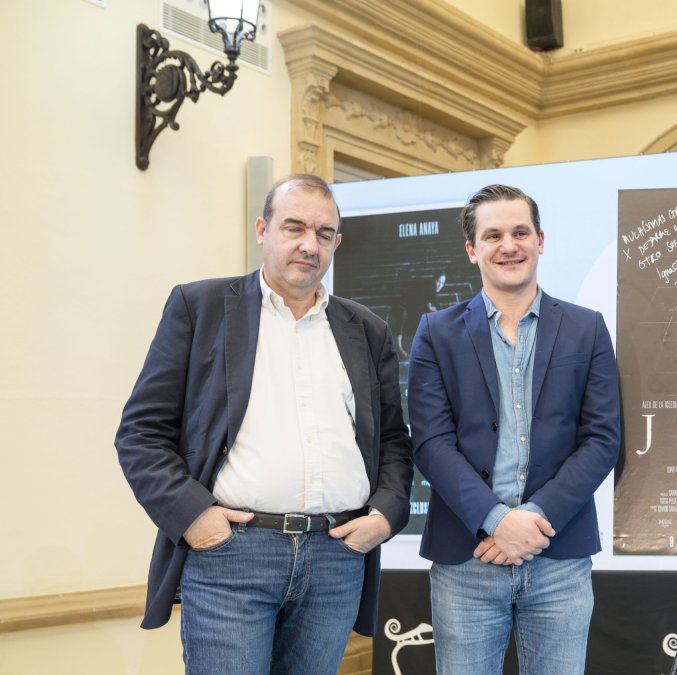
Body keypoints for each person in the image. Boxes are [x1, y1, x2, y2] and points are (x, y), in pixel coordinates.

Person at [115, 174, 414, 674]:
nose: (308, 244)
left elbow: (393, 444)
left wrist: (385, 515)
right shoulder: (201, 307)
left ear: (337, 243)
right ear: (263, 229)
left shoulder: (367, 329)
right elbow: (141, 433)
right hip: (233, 555)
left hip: (337, 557)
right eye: (293, 227)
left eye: (323, 234)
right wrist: (194, 517)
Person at [407, 184, 620, 675]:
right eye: (493, 235)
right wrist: (498, 520)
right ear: (472, 249)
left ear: (540, 240)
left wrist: (534, 521)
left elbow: (602, 439)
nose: (509, 245)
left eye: (521, 232)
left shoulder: (586, 328)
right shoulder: (436, 332)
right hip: (467, 560)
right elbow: (431, 444)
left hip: (559, 557)